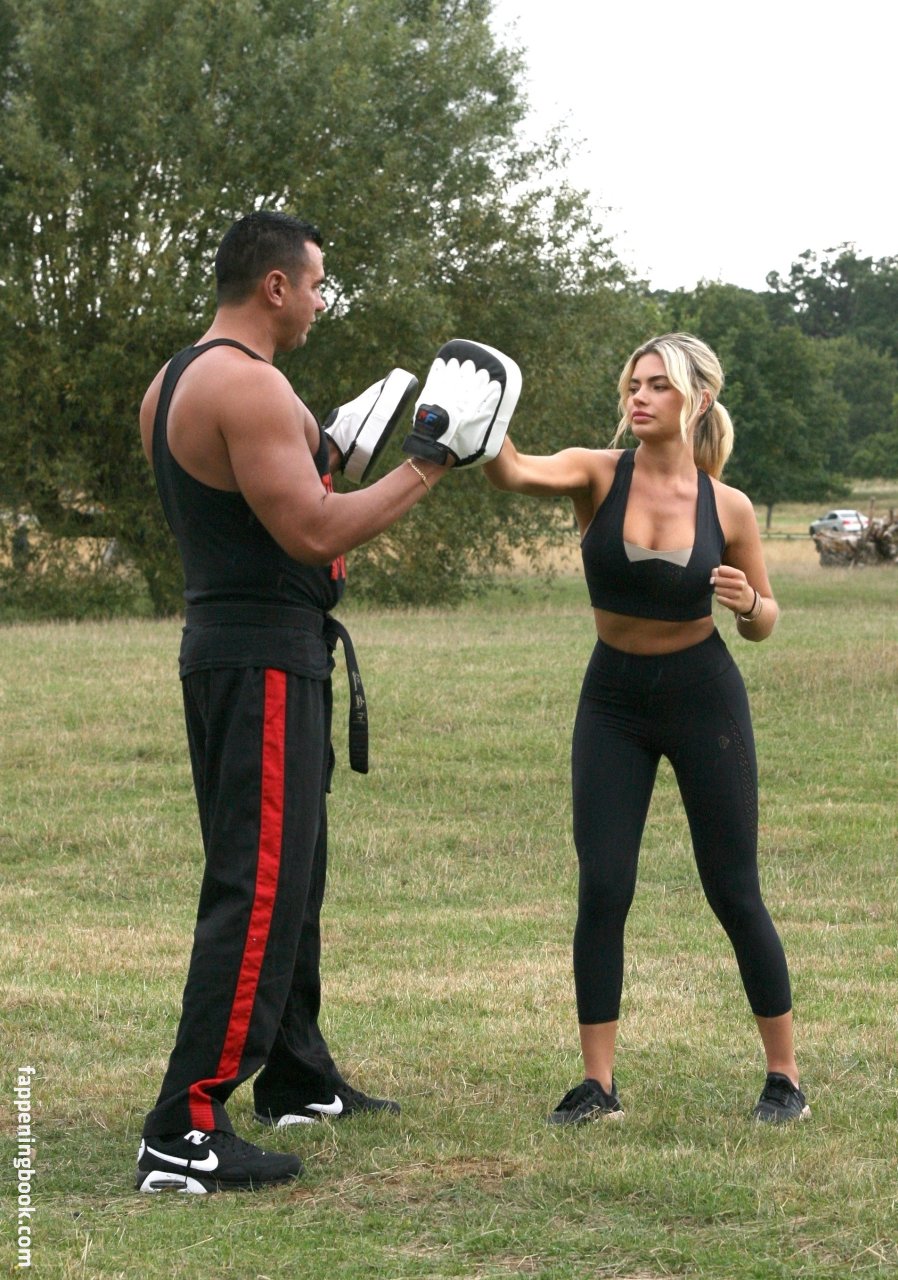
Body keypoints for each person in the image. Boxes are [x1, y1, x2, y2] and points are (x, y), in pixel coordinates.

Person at [134, 210, 519, 1193]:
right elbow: (309, 532)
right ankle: (182, 1127)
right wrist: (430, 458)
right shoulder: (248, 384)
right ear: (274, 286)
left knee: (292, 876)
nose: (318, 302)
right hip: (260, 655)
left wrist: (330, 448)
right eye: (313, 285)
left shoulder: (179, 377)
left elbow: (253, 508)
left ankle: (297, 1073)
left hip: (249, 649)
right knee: (259, 884)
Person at [484, 332, 809, 1126]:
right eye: (634, 383)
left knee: (733, 889)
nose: (640, 396)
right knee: (604, 885)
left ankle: (785, 1079)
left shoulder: (727, 507)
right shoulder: (597, 474)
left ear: (697, 398)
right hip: (613, 701)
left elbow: (766, 619)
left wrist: (749, 604)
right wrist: (483, 418)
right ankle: (598, 1086)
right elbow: (515, 471)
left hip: (704, 697)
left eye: (658, 384)